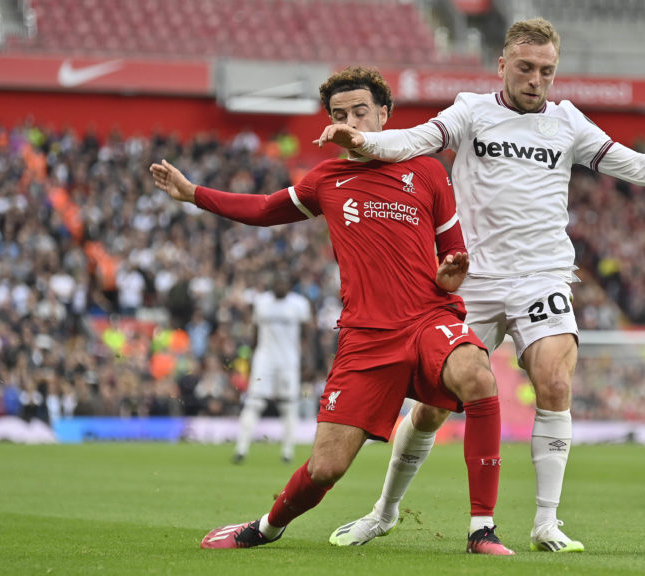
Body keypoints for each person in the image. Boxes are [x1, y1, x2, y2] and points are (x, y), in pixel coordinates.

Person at [314, 17, 645, 552]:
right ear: (502, 65)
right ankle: (384, 512)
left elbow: (631, 164)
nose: (536, 79)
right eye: (525, 68)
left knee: (555, 381)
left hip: (541, 275)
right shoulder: (471, 111)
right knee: (431, 409)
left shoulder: (568, 122)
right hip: (471, 280)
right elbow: (414, 141)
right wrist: (361, 139)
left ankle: (546, 523)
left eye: (546, 70)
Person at [149, 66, 514, 555]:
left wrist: (451, 274)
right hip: (366, 337)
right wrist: (194, 193)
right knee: (326, 468)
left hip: (429, 318)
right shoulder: (327, 179)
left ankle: (481, 530)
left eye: (361, 111)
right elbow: (262, 209)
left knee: (478, 375)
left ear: (385, 113)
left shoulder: (427, 170)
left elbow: (453, 253)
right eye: (340, 114)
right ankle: (266, 527)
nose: (351, 121)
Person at [232, 270, 313, 465]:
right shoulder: (262, 302)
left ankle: (287, 452)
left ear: (289, 285)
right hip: (264, 359)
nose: (280, 286)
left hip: (288, 361)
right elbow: (255, 333)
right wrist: (251, 358)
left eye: (284, 283)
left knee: (289, 405)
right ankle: (241, 449)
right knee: (254, 403)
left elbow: (307, 334)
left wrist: (308, 358)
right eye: (277, 283)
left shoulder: (299, 304)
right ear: (272, 284)